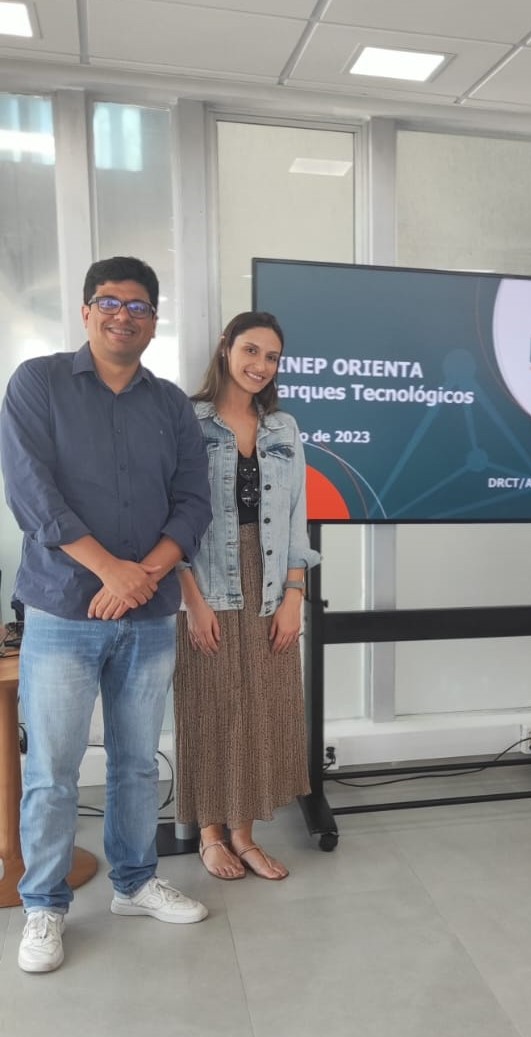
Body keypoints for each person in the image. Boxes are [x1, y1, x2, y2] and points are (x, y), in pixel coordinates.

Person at [0, 256, 213, 974]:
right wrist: (109, 570)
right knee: (54, 768)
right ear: (87, 311)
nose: (125, 315)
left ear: (154, 321)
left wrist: (141, 575)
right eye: (111, 302)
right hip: (63, 608)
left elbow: (194, 502)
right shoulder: (38, 383)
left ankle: (134, 882)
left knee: (136, 762)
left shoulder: (171, 405)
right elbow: (31, 492)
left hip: (148, 613)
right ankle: (44, 904)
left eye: (140, 306)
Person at [173, 311, 320, 881]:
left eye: (272, 356)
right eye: (251, 350)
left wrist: (294, 596)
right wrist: (191, 599)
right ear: (225, 348)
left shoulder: (283, 427)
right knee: (210, 704)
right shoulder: (188, 420)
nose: (261, 365)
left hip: (271, 579)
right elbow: (171, 514)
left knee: (262, 705)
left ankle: (244, 833)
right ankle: (211, 834)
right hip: (206, 579)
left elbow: (296, 517)